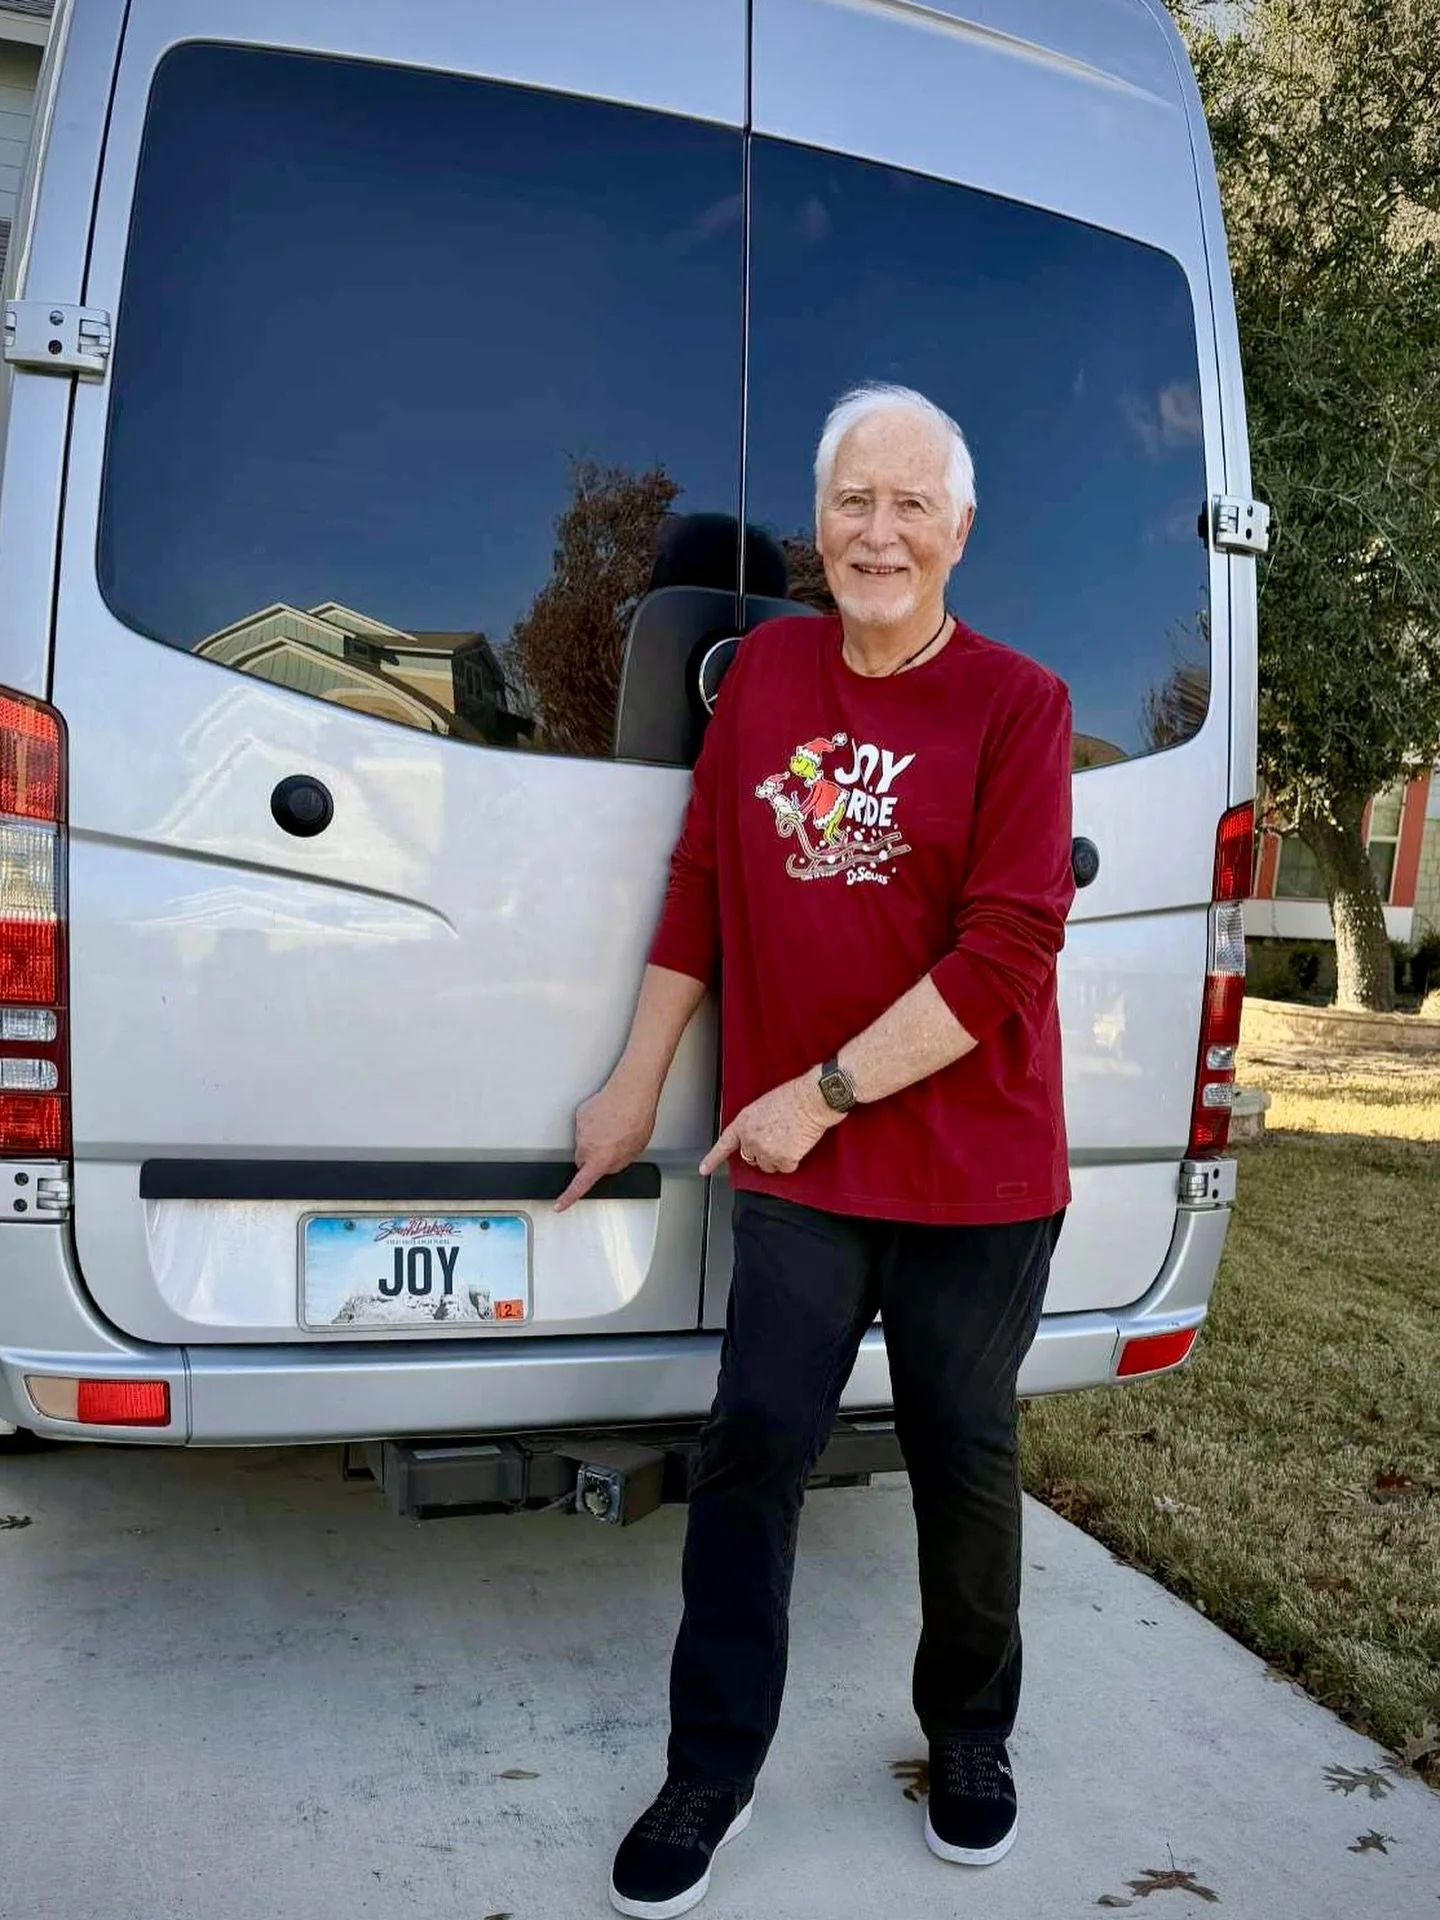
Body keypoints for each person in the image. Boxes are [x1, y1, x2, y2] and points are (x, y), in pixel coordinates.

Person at [555, 383, 1076, 1918]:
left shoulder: (1019, 705)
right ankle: (710, 1765)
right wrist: (633, 1080)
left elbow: (1004, 959)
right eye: (855, 500)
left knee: (962, 1460)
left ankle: (968, 1738)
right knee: (754, 1444)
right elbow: (705, 879)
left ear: (960, 530)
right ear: (819, 521)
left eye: (914, 504)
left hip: (971, 1171)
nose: (881, 531)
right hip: (802, 1167)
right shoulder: (771, 675)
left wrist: (817, 1093)